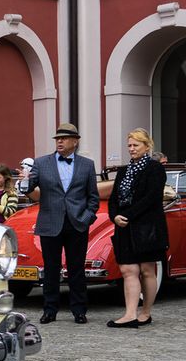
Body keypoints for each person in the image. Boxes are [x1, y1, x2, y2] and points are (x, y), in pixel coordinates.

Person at [26, 123, 100, 324]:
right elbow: (29, 188)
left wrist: (87, 218)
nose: (59, 141)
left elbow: (93, 196)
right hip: (50, 222)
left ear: (75, 142)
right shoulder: (41, 163)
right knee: (51, 268)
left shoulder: (87, 165)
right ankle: (49, 310)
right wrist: (24, 180)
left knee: (76, 268)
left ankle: (79, 311)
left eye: (64, 138)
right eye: (57, 138)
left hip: (77, 223)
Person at [107, 128, 168, 328]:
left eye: (136, 145)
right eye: (129, 146)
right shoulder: (124, 171)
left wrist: (128, 215)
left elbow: (151, 198)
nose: (131, 149)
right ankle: (130, 313)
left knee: (147, 270)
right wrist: (114, 215)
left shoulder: (155, 168)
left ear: (147, 146)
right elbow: (114, 198)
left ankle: (146, 312)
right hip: (124, 226)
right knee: (127, 269)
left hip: (147, 225)